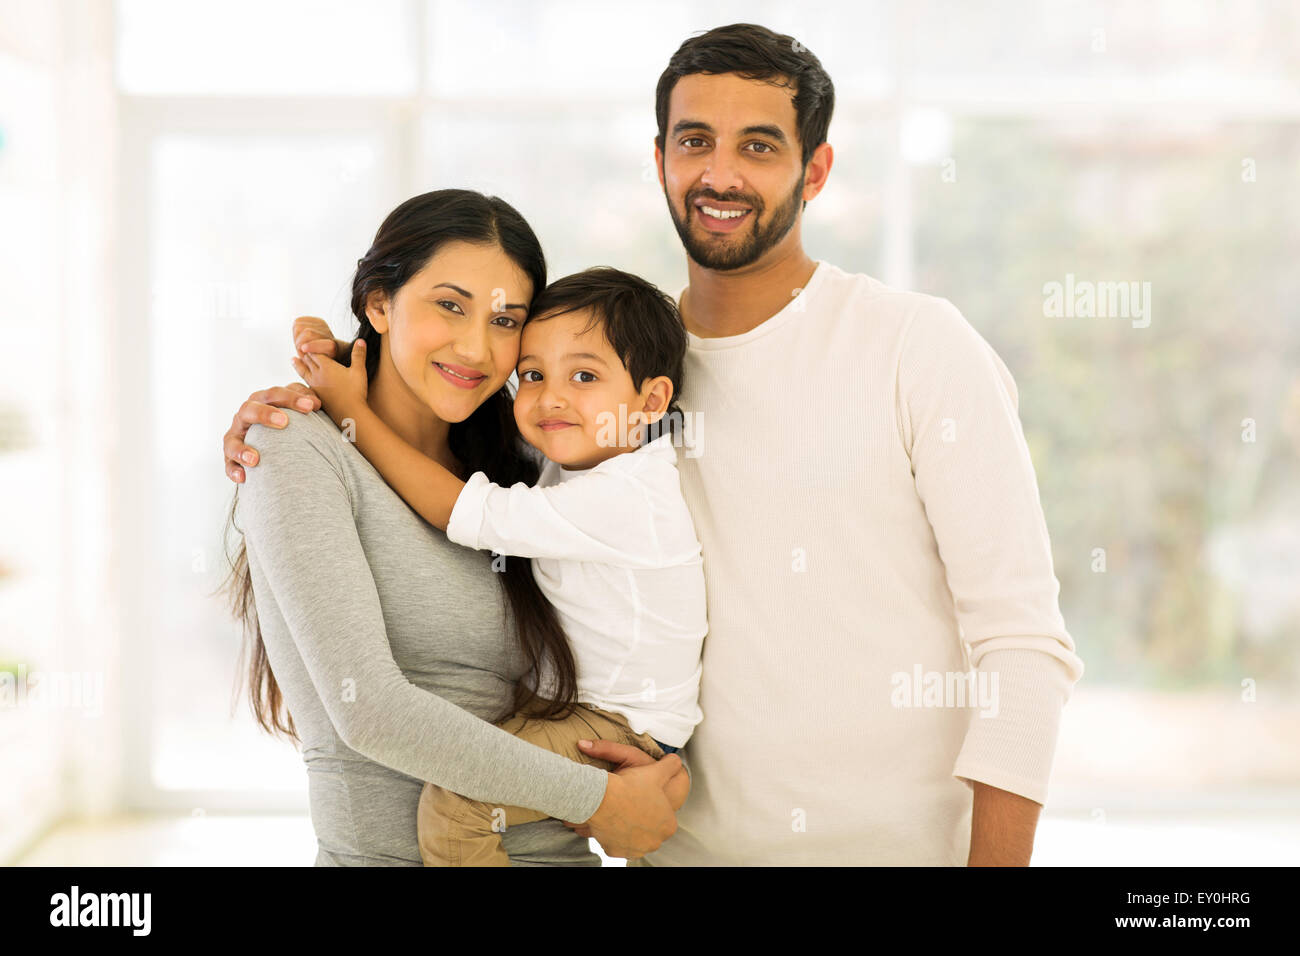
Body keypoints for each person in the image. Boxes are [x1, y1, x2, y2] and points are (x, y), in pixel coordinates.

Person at [224, 23, 1084, 866]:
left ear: (815, 169)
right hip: (672, 853)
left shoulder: (915, 346)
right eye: (695, 140)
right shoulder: (603, 383)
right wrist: (315, 403)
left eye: (758, 146)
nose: (720, 173)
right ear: (662, 159)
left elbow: (1021, 642)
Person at [223, 189, 685, 866]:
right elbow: (372, 713)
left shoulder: (527, 465)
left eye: (505, 320)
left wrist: (658, 762)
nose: (476, 346)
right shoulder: (296, 446)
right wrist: (602, 801)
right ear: (379, 303)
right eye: (449, 304)